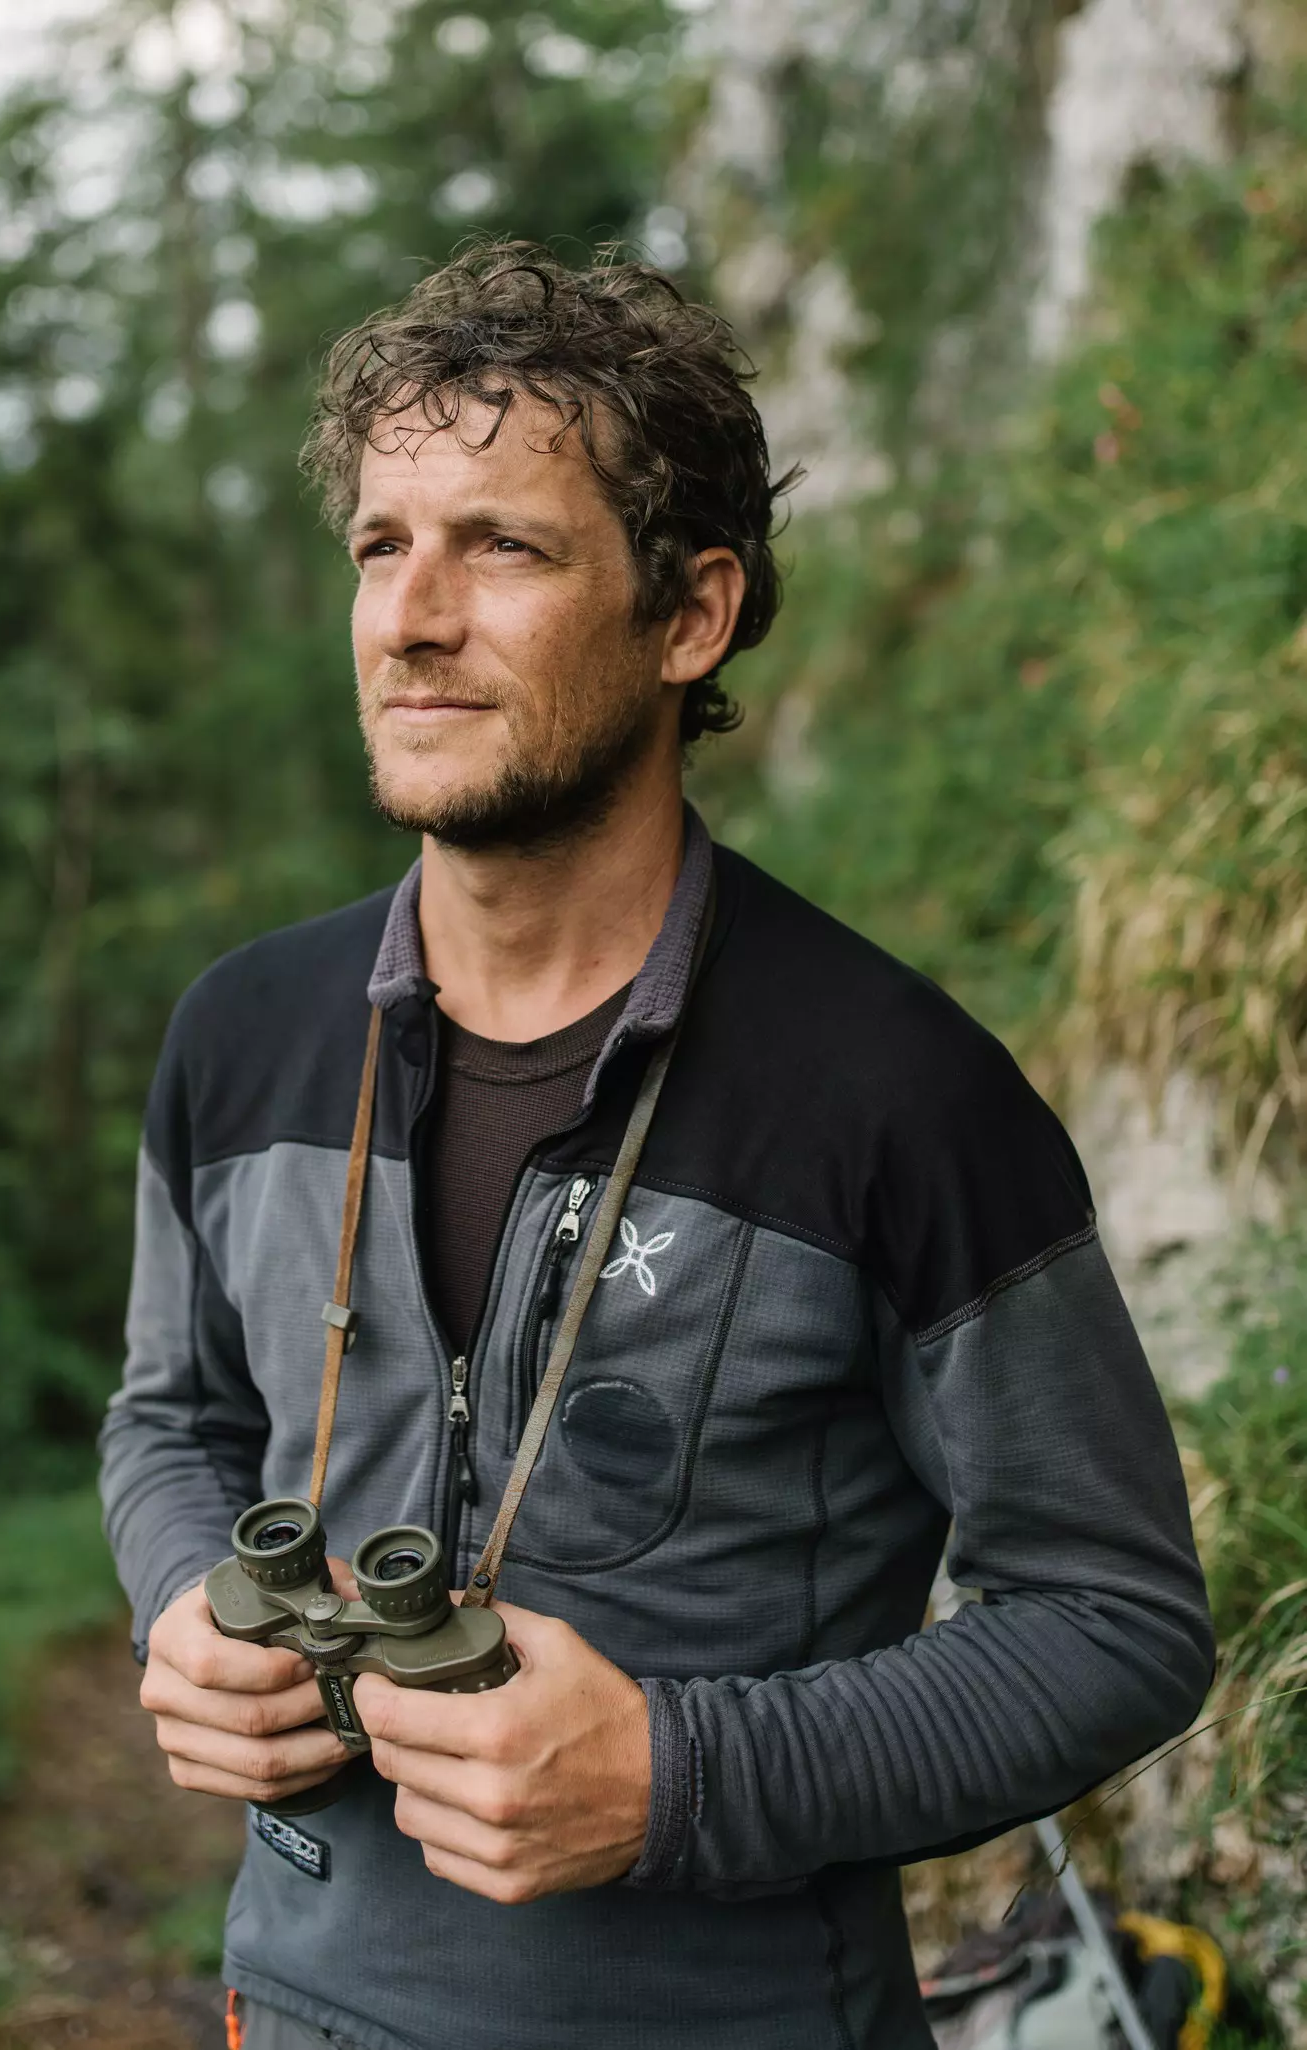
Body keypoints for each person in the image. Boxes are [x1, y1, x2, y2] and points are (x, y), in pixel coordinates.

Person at [98, 243, 1213, 2050]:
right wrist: (179, 1605)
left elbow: (1116, 1619)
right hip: (290, 2012)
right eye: (382, 545)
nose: (411, 615)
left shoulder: (899, 1094)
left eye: (505, 547)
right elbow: (169, 1415)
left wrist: (682, 1773)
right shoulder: (241, 1038)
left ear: (690, 615)